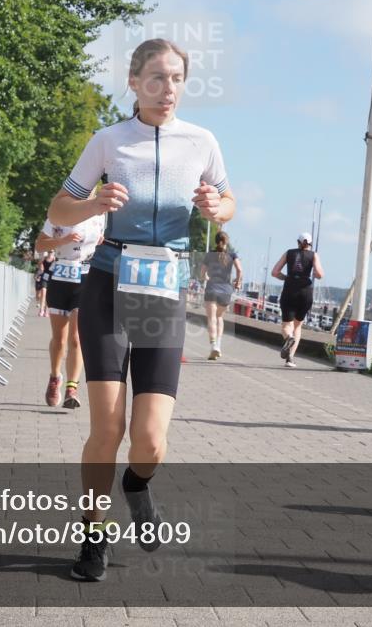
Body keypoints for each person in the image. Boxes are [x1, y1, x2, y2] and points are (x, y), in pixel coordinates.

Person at [47, 38, 235, 582]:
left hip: (163, 288)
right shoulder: (109, 141)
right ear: (134, 83)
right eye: (155, 77)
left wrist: (214, 207)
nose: (167, 88)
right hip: (109, 281)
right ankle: (93, 533)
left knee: (150, 439)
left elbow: (229, 202)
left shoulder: (202, 141)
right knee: (107, 425)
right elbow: (59, 206)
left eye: (176, 78)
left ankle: (137, 484)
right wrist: (93, 203)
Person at [35, 211, 105, 409]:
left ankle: (71, 388)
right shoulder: (59, 213)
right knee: (60, 339)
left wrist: (102, 242)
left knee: (77, 337)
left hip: (85, 277)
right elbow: (39, 244)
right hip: (60, 278)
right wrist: (63, 240)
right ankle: (55, 377)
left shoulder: (101, 215)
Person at [271, 232, 324, 368]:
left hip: (290, 289)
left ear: (298, 242)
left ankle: (289, 338)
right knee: (298, 326)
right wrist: (312, 273)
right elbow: (319, 274)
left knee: (286, 325)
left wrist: (286, 278)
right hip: (305, 292)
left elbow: (275, 272)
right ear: (310, 244)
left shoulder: (289, 253)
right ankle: (290, 359)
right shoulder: (313, 255)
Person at [200, 231, 242, 359]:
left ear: (215, 241)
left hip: (212, 288)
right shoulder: (232, 255)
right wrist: (237, 282)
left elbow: (202, 273)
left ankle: (214, 346)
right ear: (227, 242)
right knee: (219, 317)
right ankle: (218, 344)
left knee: (211, 318)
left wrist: (206, 277)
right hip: (225, 291)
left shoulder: (209, 255)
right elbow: (239, 270)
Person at [34, 250, 55, 316]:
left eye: (51, 251)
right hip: (44, 277)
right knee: (43, 292)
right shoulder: (44, 258)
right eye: (49, 251)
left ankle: (46, 310)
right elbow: (40, 266)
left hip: (51, 278)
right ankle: (41, 310)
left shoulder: (55, 259)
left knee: (48, 295)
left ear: (54, 252)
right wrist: (38, 274)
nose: (50, 252)